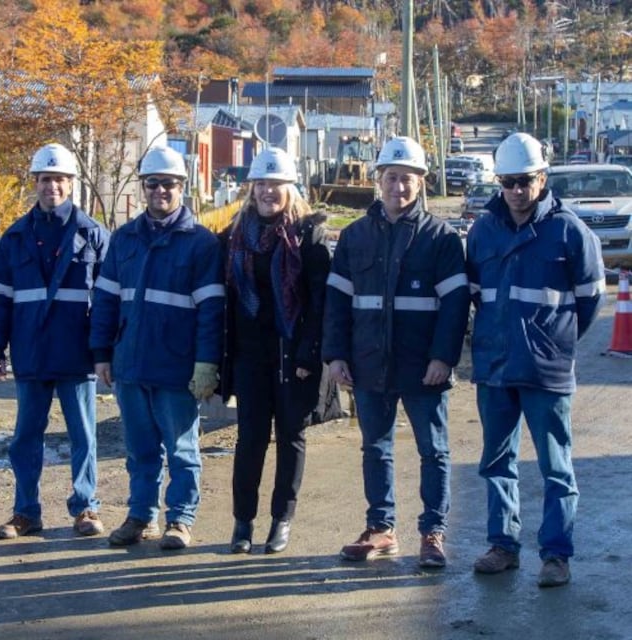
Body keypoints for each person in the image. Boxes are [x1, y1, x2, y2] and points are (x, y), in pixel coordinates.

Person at [323, 136, 470, 568]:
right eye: (391, 178)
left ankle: (433, 533)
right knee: (375, 449)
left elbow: (456, 307)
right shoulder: (354, 237)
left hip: (424, 367)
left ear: (421, 183)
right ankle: (381, 528)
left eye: (407, 179)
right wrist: (335, 356)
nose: (398, 187)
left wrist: (443, 358)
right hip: (369, 364)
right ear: (378, 181)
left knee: (434, 451)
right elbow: (335, 304)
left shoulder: (441, 239)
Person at [466, 132, 605, 588]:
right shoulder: (483, 230)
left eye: (525, 181)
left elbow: (590, 299)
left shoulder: (569, 231)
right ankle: (502, 546)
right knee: (497, 462)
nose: (516, 191)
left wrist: (554, 343)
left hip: (545, 370)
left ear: (542, 177)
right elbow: (474, 295)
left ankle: (556, 555)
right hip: (495, 368)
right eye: (508, 182)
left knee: (556, 467)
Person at [89, 145, 224, 551]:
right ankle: (140, 515)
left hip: (176, 368)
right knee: (140, 449)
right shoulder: (124, 239)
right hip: (130, 364)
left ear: (182, 187)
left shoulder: (201, 243)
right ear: (143, 187)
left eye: (169, 184)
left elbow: (212, 311)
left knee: (182, 450)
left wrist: (206, 362)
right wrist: (101, 354)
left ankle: (180, 520)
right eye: (153, 184)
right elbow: (106, 301)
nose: (161, 191)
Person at [0, 143, 110, 540]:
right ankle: (25, 512)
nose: (51, 185)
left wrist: (105, 352)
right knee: (25, 437)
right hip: (30, 350)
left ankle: (86, 507)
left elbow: (108, 301)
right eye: (44, 179)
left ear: (70, 184)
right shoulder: (16, 237)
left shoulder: (93, 235)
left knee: (83, 436)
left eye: (58, 179)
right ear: (34, 183)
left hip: (77, 352)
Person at [218, 148, 331, 554]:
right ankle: (242, 522)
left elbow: (319, 302)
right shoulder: (233, 236)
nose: (268, 191)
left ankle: (281, 519)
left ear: (290, 187)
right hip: (249, 354)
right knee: (250, 438)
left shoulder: (307, 234)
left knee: (291, 437)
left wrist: (308, 355)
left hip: (293, 356)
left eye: (275, 184)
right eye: (261, 184)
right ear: (252, 189)